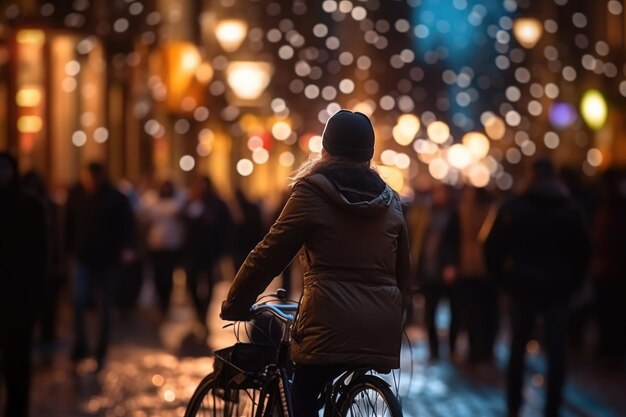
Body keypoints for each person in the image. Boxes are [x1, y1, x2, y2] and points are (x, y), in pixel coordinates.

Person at [221, 110, 410, 417]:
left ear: (325, 150)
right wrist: (394, 317)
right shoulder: (392, 202)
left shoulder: (311, 192)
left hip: (327, 323)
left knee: (304, 390)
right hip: (380, 327)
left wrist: (237, 301)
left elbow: (270, 253)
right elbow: (403, 272)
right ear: (370, 155)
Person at [484, 158, 591, 417]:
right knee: (557, 352)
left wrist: (504, 281)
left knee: (518, 349)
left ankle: (513, 405)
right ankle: (552, 407)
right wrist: (572, 285)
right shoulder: (571, 209)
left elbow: (491, 248)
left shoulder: (514, 207)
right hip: (558, 289)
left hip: (522, 287)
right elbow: (584, 252)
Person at [65, 162, 136, 370]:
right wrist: (68, 251)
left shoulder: (115, 197)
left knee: (105, 306)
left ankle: (100, 350)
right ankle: (81, 345)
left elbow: (127, 225)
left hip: (107, 259)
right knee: (79, 302)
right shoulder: (76, 194)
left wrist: (126, 248)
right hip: (83, 257)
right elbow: (68, 224)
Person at [0, 152, 47, 417]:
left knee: (18, 360)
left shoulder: (30, 206)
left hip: (20, 296)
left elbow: (40, 253)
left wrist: (37, 293)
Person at [444, 186, 499, 363]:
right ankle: (481, 350)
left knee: (467, 312)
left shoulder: (460, 212)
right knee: (484, 314)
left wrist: (451, 264)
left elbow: (450, 240)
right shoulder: (493, 212)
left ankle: (471, 349)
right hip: (486, 271)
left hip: (468, 270)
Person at [21, 170, 64, 366]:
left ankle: (45, 341)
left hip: (45, 266)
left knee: (47, 306)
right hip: (29, 267)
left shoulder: (50, 208)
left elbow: (56, 237)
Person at [415, 183, 460, 361]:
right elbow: (421, 240)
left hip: (447, 271)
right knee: (430, 313)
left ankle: (451, 348)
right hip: (429, 270)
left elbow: (456, 242)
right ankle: (434, 350)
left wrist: (452, 264)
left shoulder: (454, 214)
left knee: (454, 312)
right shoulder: (428, 213)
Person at [182, 176, 232, 336]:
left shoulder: (217, 205)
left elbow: (225, 227)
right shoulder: (190, 203)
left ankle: (203, 312)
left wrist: (222, 250)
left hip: (209, 251)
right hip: (192, 251)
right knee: (191, 283)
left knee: (209, 283)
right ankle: (199, 311)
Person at [141, 180, 185, 315]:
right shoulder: (153, 202)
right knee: (157, 274)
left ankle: (165, 301)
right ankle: (160, 301)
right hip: (156, 245)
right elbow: (144, 219)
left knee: (168, 275)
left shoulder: (177, 202)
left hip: (172, 245)